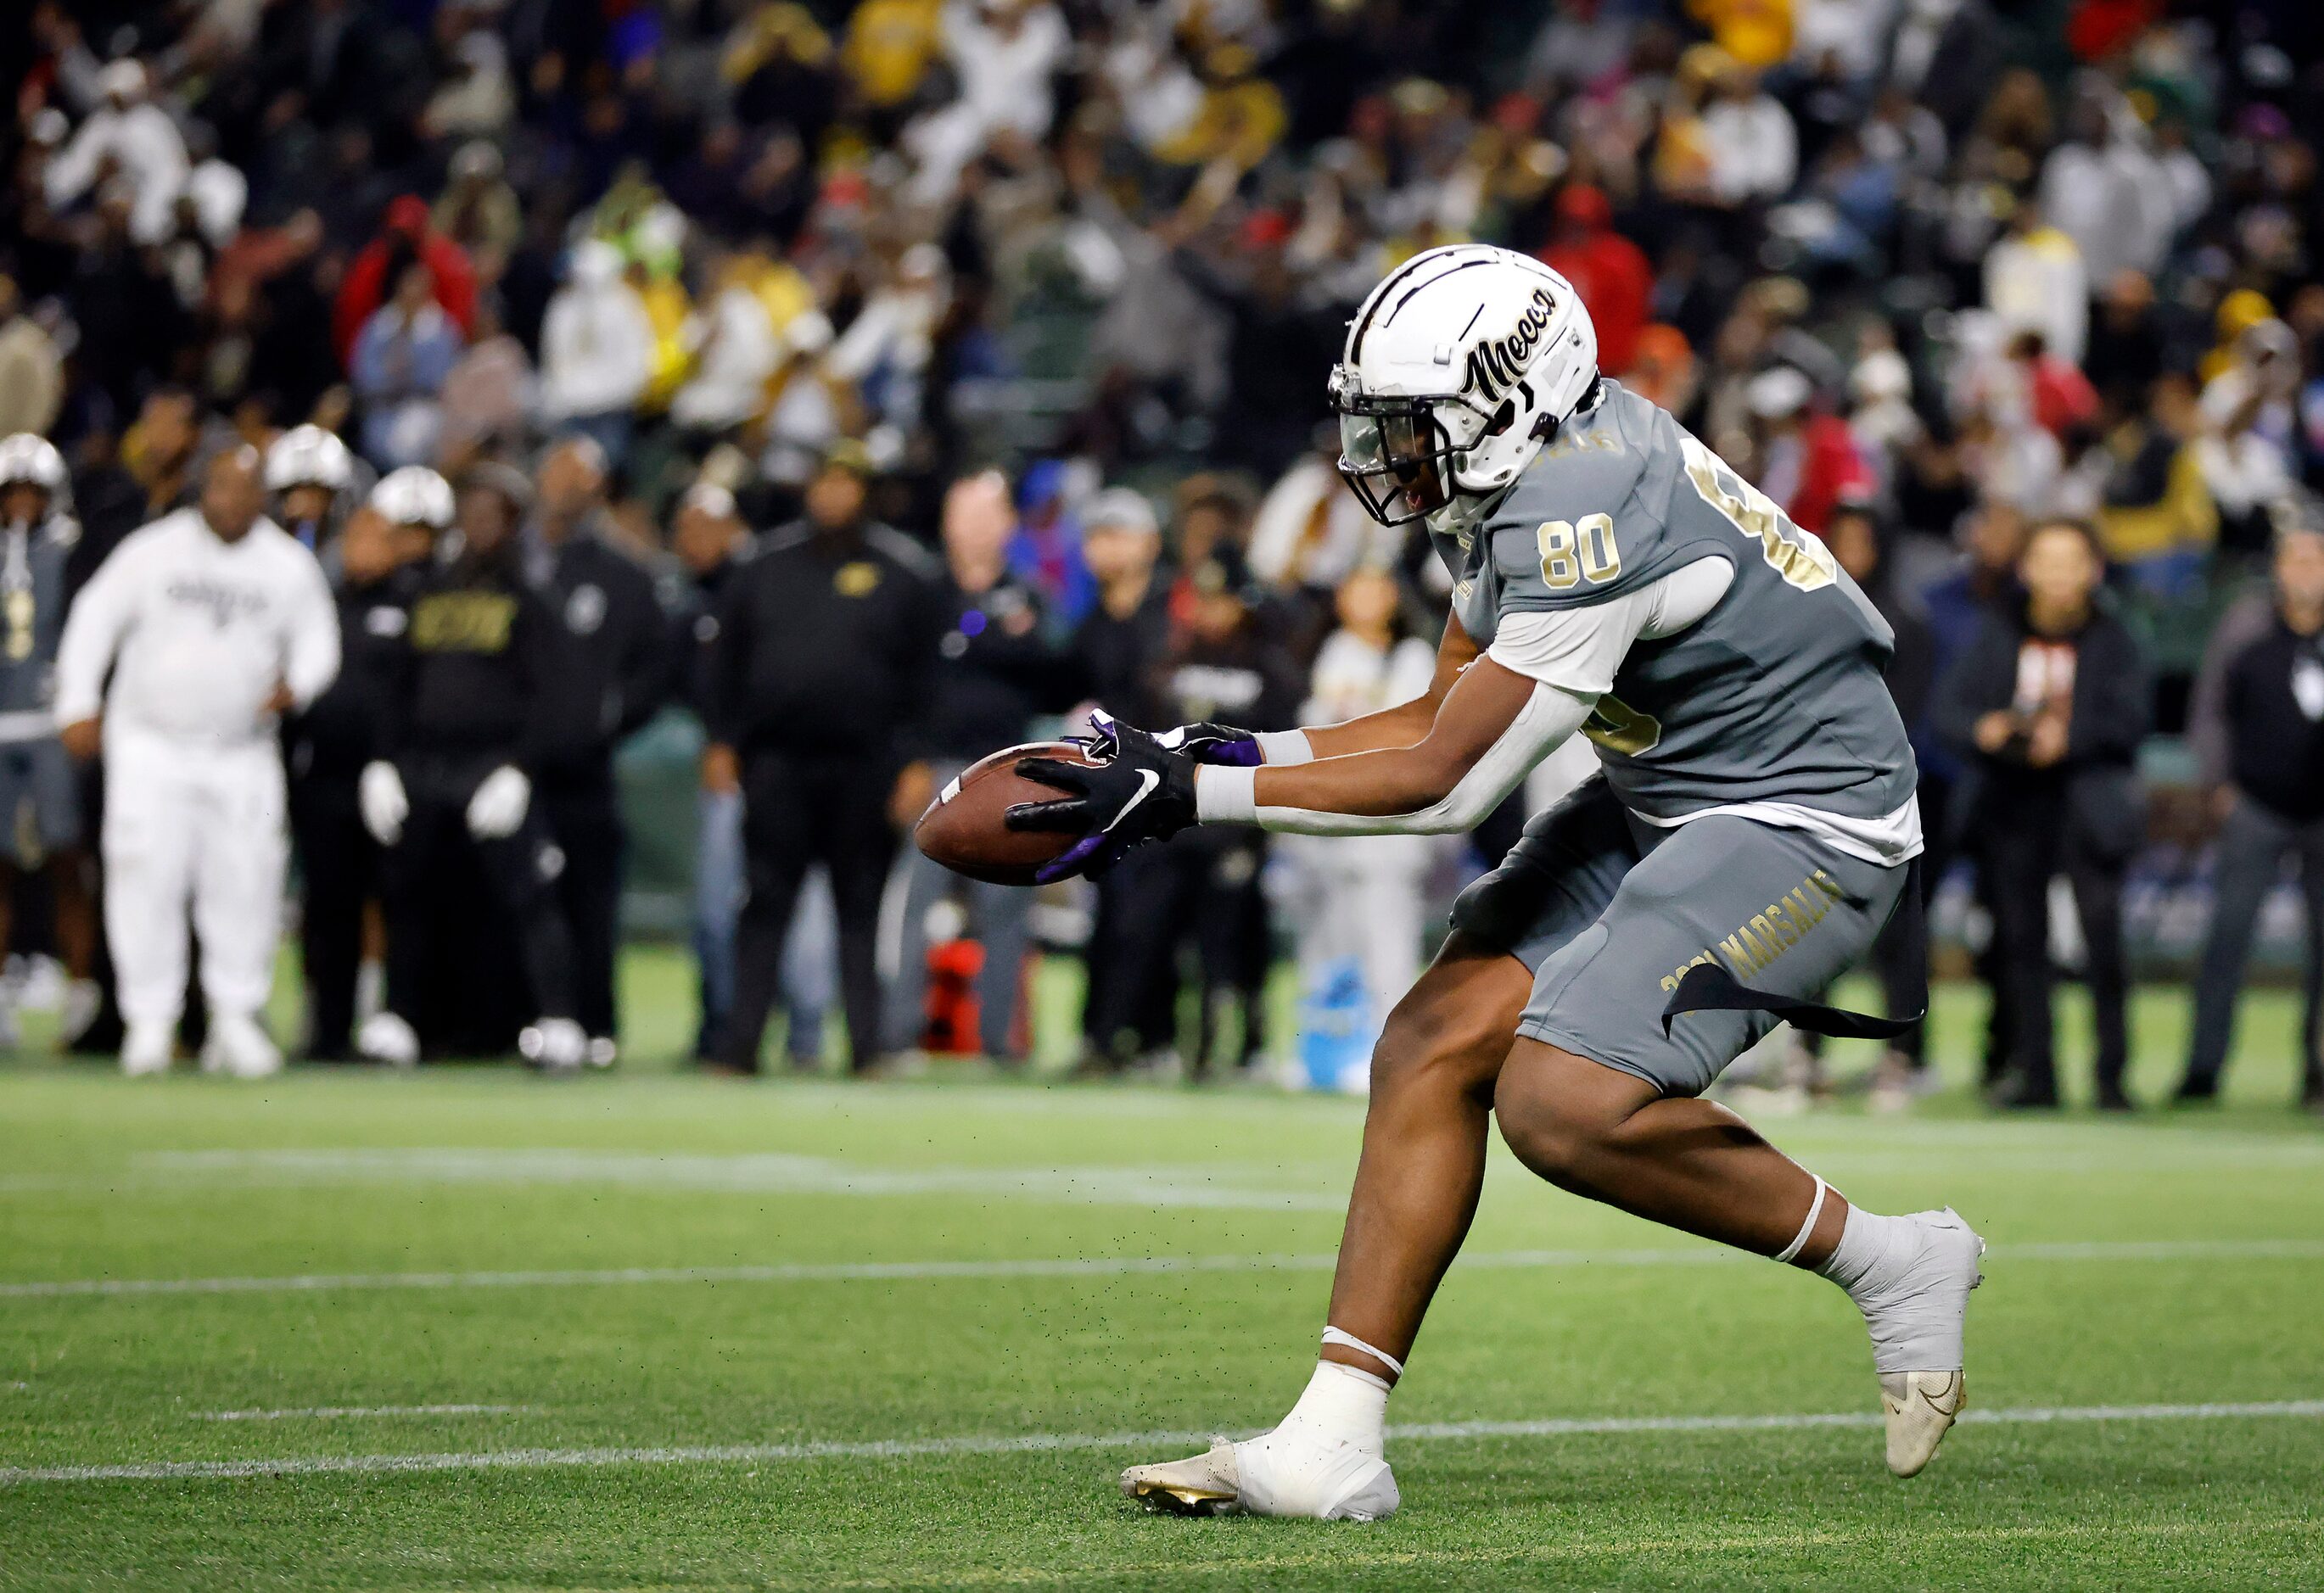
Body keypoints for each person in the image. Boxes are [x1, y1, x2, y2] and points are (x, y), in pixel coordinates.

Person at [1011, 247, 1979, 1517]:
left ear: (1513, 394)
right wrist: (1198, 755)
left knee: (1561, 1100)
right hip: (1666, 794)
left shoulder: (1582, 496)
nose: (1382, 451)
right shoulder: (1513, 481)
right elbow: (1432, 714)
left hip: (1807, 817)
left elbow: (1445, 781)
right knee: (1425, 1046)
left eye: (1411, 423)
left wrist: (1192, 791)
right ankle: (1331, 1440)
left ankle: (1893, 1258)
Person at [54, 445, 339, 1077]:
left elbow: (320, 639)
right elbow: (93, 620)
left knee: (248, 882)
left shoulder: (287, 565)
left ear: (262, 497)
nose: (234, 504)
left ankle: (235, 1017)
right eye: (223, 490)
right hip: (151, 744)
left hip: (242, 750)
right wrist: (77, 701)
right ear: (203, 491)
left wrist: (300, 681)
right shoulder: (152, 551)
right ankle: (149, 1021)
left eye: (247, 492)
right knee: (145, 876)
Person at [705, 440, 945, 1074]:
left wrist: (916, 760)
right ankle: (739, 1049)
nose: (833, 495)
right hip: (776, 762)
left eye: (847, 484)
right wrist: (722, 741)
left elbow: (924, 681)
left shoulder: (903, 573)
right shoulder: (763, 566)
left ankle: (867, 1048)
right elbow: (724, 661)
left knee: (859, 911)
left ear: (867, 493)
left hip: (863, 768)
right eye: (825, 482)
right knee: (763, 905)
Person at [356, 463, 585, 1070]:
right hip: (426, 764)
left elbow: (553, 697)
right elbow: (398, 688)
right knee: (410, 892)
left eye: (494, 514)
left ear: (513, 524)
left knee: (529, 894)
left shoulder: (529, 601)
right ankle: (402, 1017)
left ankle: (556, 1018)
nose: (480, 524)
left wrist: (519, 768)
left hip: (496, 765)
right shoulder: (427, 594)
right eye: (472, 511)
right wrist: (382, 761)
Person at [1936, 518, 2149, 1111]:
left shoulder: (2115, 637)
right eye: (2046, 561)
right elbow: (1949, 710)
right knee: (2019, 947)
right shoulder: (1996, 632)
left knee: (2102, 948)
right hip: (2012, 807)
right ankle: (2036, 1076)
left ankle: (2112, 1078)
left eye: (2070, 561)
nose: (2057, 575)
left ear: (2093, 570)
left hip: (2088, 806)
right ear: (2026, 569)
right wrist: (1988, 728)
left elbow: (2131, 720)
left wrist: (2069, 737)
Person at [882, 471, 1062, 1064]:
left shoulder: (1027, 593)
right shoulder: (919, 591)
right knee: (913, 903)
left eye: (987, 515)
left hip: (1006, 770)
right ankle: (896, 1034)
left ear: (1008, 524)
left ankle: (1000, 1041)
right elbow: (901, 679)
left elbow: (1047, 669)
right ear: (945, 522)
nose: (976, 528)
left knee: (1007, 909)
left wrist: (981, 642)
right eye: (965, 514)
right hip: (931, 766)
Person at [523, 438, 674, 1067]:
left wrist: (607, 720)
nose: (564, 486)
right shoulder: (512, 563)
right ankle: (515, 1020)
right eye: (556, 472)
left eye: (578, 476)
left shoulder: (624, 576)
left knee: (589, 897)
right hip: (509, 764)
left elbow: (654, 670)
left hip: (585, 770)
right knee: (517, 896)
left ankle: (596, 1023)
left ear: (598, 488)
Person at [2178, 495, 2324, 1108]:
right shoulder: (2245, 623)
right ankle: (2202, 1071)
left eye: (2318, 559)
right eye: (2296, 557)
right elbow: (2210, 707)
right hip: (2255, 804)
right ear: (2278, 566)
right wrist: (2219, 785)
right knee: (2227, 938)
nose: (2306, 570)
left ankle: (2317, 1074)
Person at [287, 473, 428, 1060]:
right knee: (327, 907)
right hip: (326, 778)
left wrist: (394, 761)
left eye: (380, 535)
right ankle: (327, 1028)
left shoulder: (417, 603)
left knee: (399, 903)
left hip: (394, 777)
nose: (367, 547)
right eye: (359, 534)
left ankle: (398, 1020)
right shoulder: (321, 602)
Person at [0, 434, 96, 1044]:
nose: (23, 503)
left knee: (68, 857)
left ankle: (81, 987)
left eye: (34, 490)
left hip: (51, 719)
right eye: (13, 490)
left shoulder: (70, 552)